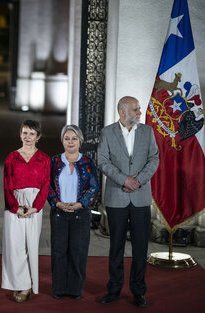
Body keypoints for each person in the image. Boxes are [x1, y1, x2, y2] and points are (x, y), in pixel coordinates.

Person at [97, 96, 159, 308]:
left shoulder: (147, 132)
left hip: (141, 197)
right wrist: (124, 179)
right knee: (116, 247)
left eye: (139, 109)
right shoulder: (107, 132)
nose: (139, 112)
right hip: (117, 198)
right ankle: (114, 289)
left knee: (141, 248)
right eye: (135, 109)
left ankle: (138, 291)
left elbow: (154, 158)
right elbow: (102, 160)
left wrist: (137, 181)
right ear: (122, 112)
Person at [1, 120, 51, 302]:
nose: (27, 137)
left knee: (30, 245)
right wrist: (16, 207)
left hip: (34, 205)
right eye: (24, 133)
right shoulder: (11, 157)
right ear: (20, 134)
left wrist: (35, 207)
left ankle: (29, 283)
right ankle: (22, 285)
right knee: (15, 247)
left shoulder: (44, 159)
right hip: (15, 204)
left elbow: (46, 185)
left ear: (38, 137)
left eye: (31, 134)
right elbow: (7, 184)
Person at [48, 125, 99, 300]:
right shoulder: (54, 161)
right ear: (62, 141)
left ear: (80, 141)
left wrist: (80, 204)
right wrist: (57, 203)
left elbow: (94, 187)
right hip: (59, 213)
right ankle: (59, 289)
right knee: (59, 252)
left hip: (80, 214)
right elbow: (47, 186)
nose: (70, 142)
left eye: (74, 138)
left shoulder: (87, 162)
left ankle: (76, 289)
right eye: (67, 138)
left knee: (78, 252)